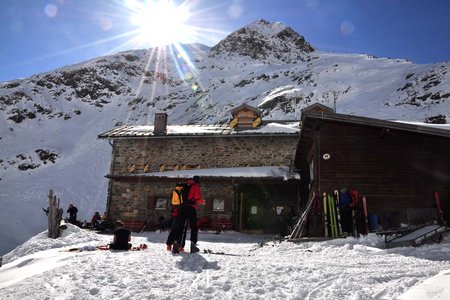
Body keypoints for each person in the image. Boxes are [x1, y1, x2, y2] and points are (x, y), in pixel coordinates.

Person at [174, 175, 205, 253]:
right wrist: (202, 202)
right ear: (198, 181)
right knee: (194, 227)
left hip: (181, 208)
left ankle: (176, 245)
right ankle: (193, 246)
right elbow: (197, 198)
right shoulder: (196, 186)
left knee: (180, 227)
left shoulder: (185, 186)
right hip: (191, 208)